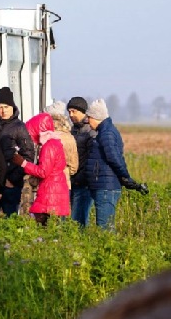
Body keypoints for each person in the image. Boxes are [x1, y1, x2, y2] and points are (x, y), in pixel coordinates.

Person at [84, 98, 149, 230]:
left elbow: (114, 158)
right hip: (103, 185)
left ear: (96, 117)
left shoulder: (106, 133)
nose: (87, 121)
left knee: (105, 229)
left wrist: (125, 176)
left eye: (89, 117)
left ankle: (110, 250)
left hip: (106, 187)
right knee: (104, 228)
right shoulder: (104, 131)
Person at [9, 112, 70, 225]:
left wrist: (23, 163)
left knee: (45, 227)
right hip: (54, 191)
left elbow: (43, 172)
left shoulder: (48, 147)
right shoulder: (55, 144)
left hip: (50, 194)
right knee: (51, 228)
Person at [0, 87, 35, 216]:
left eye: (6, 107)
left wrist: (13, 179)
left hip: (11, 182)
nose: (3, 110)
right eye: (0, 107)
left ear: (12, 107)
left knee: (10, 217)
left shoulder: (19, 127)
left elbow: (28, 155)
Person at [66, 96, 96, 226]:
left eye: (74, 111)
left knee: (79, 219)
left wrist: (83, 176)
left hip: (84, 182)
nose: (71, 115)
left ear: (83, 112)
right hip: (73, 180)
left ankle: (81, 243)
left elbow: (92, 157)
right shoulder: (73, 129)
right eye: (69, 112)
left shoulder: (90, 131)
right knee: (74, 217)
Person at [45, 100, 79, 195]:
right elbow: (74, 166)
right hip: (64, 183)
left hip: (46, 184)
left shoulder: (43, 137)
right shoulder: (69, 137)